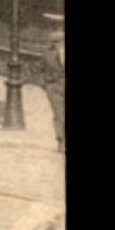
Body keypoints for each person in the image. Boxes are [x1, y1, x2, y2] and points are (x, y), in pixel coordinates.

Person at [43, 17, 65, 153]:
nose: (57, 44)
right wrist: (46, 84)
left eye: (59, 41)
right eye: (55, 42)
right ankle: (61, 142)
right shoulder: (47, 53)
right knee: (59, 115)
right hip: (54, 86)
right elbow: (41, 68)